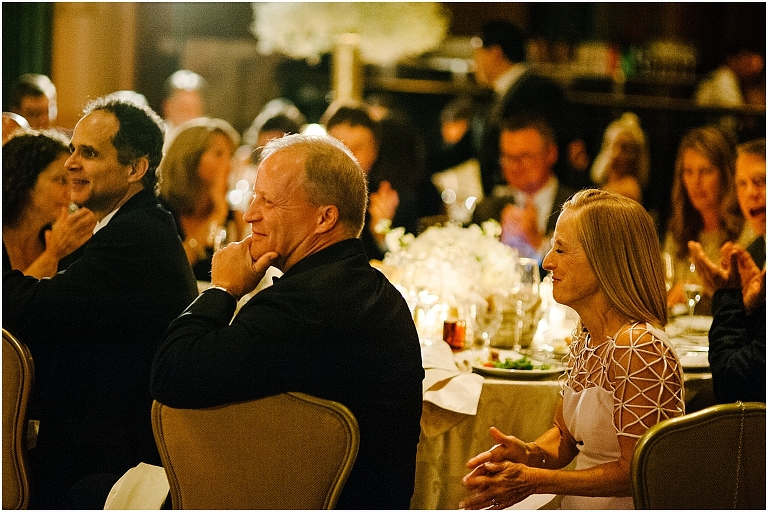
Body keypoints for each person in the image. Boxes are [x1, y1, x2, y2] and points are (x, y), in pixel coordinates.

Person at [150, 133, 424, 510]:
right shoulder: (382, 296)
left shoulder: (302, 307)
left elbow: (171, 374)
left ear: (325, 217)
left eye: (269, 201)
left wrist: (223, 290)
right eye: (254, 197)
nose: (250, 214)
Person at [2, 94, 199, 509]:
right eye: (72, 149)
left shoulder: (135, 237)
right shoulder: (128, 227)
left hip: (108, 456)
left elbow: (28, 310)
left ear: (135, 168)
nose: (71, 162)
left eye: (88, 153)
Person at [461, 189, 685, 509]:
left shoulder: (641, 348)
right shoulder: (586, 335)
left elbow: (639, 468)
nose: (549, 261)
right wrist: (527, 454)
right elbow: (565, 439)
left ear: (606, 260)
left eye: (562, 250)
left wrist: (536, 480)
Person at [688, 138, 766, 404]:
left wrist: (727, 296)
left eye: (761, 181)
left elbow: (732, 382)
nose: (750, 193)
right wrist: (749, 307)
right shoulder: (756, 248)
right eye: (742, 184)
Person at [472, 20, 588, 196]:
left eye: (477, 54)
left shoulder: (539, 91)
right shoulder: (503, 93)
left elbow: (556, 151)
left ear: (496, 53)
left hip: (535, 203)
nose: (474, 62)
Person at [663, 126, 749, 312]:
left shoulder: (748, 231)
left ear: (726, 175)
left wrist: (703, 291)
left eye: (706, 171)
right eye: (689, 171)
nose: (696, 181)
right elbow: (665, 291)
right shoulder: (678, 230)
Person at [472, 114, 577, 263]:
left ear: (551, 153)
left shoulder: (578, 208)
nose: (515, 166)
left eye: (525, 157)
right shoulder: (486, 209)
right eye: (508, 157)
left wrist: (539, 243)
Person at [157, 117, 243, 281]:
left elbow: (237, 279)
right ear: (189, 159)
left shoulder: (233, 218)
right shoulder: (158, 210)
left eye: (230, 155)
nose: (229, 164)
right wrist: (216, 216)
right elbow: (168, 270)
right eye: (219, 154)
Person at [3, 130, 96, 278]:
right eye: (61, 180)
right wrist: (52, 256)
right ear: (25, 181)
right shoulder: (58, 244)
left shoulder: (62, 237)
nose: (71, 193)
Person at [322, 102, 401, 261]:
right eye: (340, 146)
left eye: (358, 147)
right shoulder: (307, 193)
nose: (348, 156)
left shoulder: (387, 196)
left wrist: (382, 236)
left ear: (374, 151)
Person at [589, 112, 650, 204]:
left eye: (624, 148)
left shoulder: (630, 188)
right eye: (613, 145)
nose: (616, 154)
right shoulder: (607, 184)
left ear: (635, 156)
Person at [161, 69, 207, 134]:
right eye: (183, 108)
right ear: (167, 107)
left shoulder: (208, 138)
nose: (188, 115)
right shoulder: (159, 137)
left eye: (193, 108)